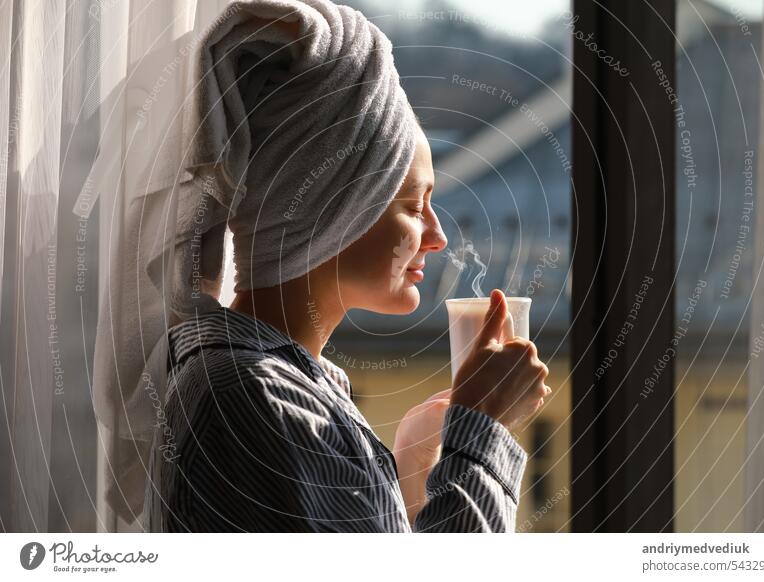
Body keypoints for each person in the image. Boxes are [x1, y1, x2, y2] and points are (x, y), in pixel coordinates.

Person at [148, 120, 551, 532]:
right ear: (333, 212)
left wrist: (412, 469)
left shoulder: (298, 387)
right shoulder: (259, 399)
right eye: (415, 207)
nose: (439, 236)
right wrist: (481, 431)